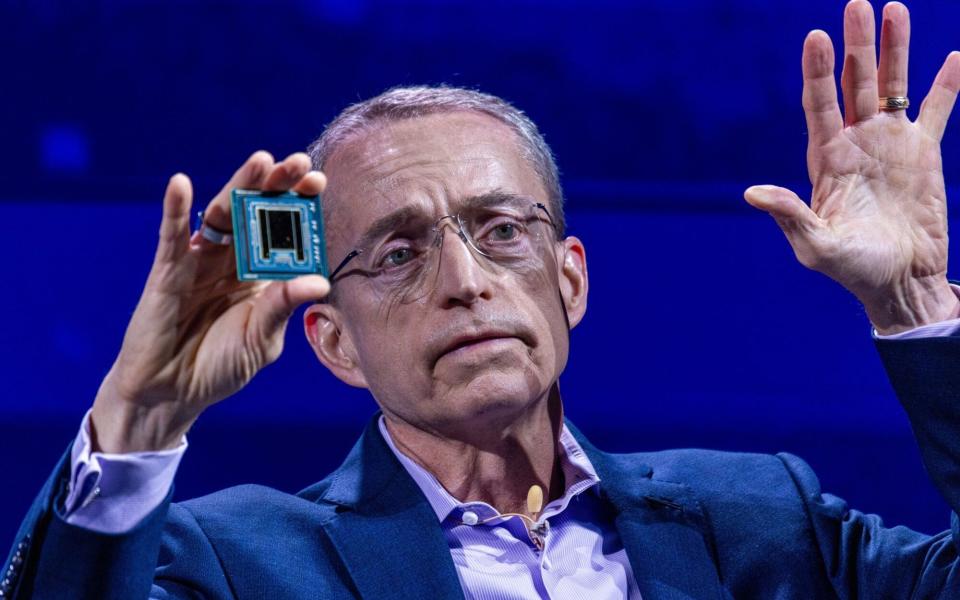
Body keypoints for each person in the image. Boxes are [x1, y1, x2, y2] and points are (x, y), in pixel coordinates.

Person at [6, 1, 960, 598]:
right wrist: (135, 418)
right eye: (398, 252)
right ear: (334, 344)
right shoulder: (235, 563)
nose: (465, 281)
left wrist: (919, 302)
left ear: (570, 279)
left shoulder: (763, 519)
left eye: (502, 230)